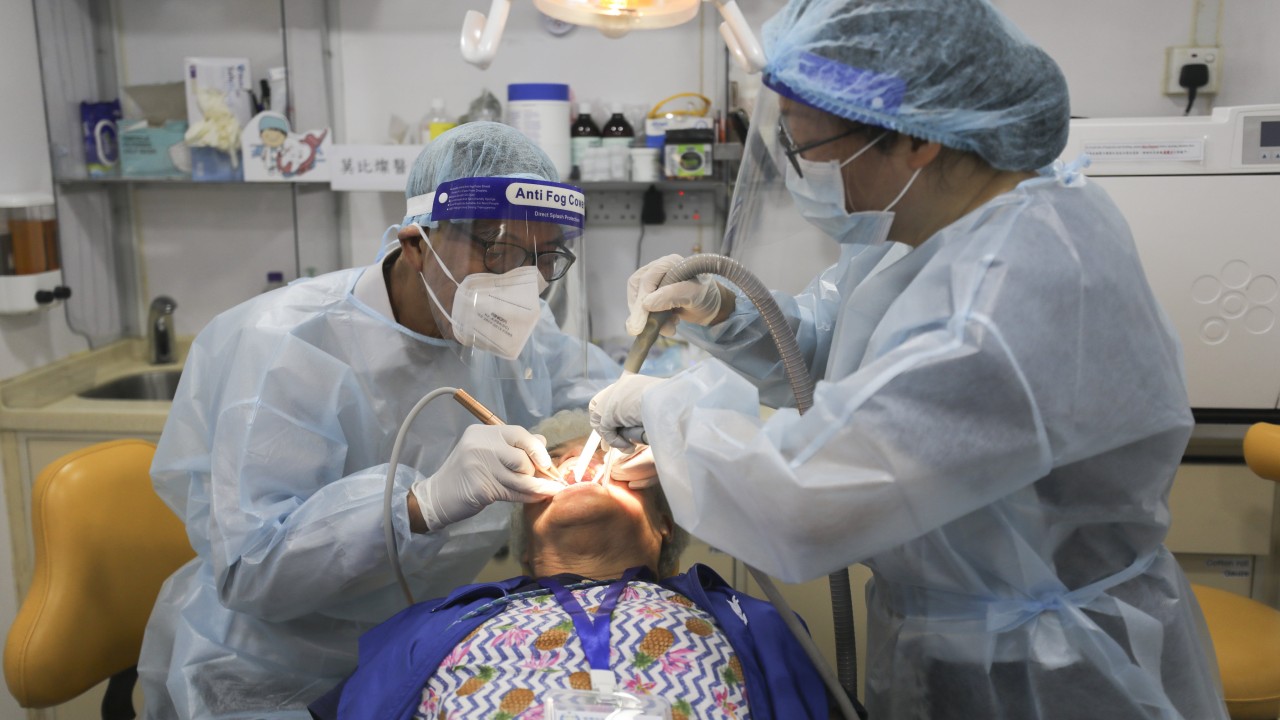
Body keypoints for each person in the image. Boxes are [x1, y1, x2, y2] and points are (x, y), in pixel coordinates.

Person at [588, 0, 1229, 718]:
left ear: (914, 139)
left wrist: (665, 411)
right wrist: (727, 313)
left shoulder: (1014, 289)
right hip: (959, 642)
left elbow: (802, 498)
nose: (805, 176)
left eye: (809, 150)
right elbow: (838, 356)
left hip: (1049, 674)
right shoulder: (937, 231)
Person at [139, 122, 620, 720]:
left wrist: (635, 412)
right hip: (273, 675)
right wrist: (419, 504)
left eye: (546, 257)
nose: (521, 282)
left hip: (422, 650)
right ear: (416, 243)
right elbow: (251, 571)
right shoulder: (290, 347)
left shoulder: (506, 321)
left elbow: (593, 390)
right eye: (495, 247)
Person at [308, 411, 830, 720]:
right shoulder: (434, 626)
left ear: (664, 523)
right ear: (527, 546)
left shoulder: (753, 622)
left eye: (611, 461)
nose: (581, 465)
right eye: (556, 462)